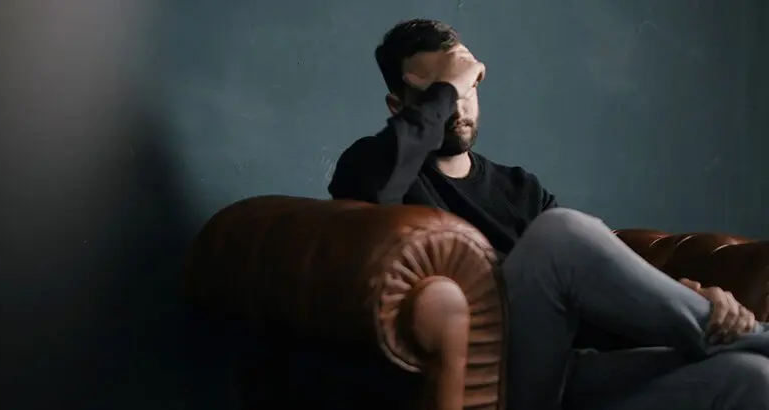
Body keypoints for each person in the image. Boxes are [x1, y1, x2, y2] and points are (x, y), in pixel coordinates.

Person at [329, 19, 769, 410]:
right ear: (398, 106)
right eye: (439, 95)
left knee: (751, 379)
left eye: (467, 89)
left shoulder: (520, 188)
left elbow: (593, 296)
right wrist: (446, 87)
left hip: (562, 376)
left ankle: (732, 337)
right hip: (490, 384)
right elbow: (375, 190)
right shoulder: (373, 167)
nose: (457, 107)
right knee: (559, 232)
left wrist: (680, 297)